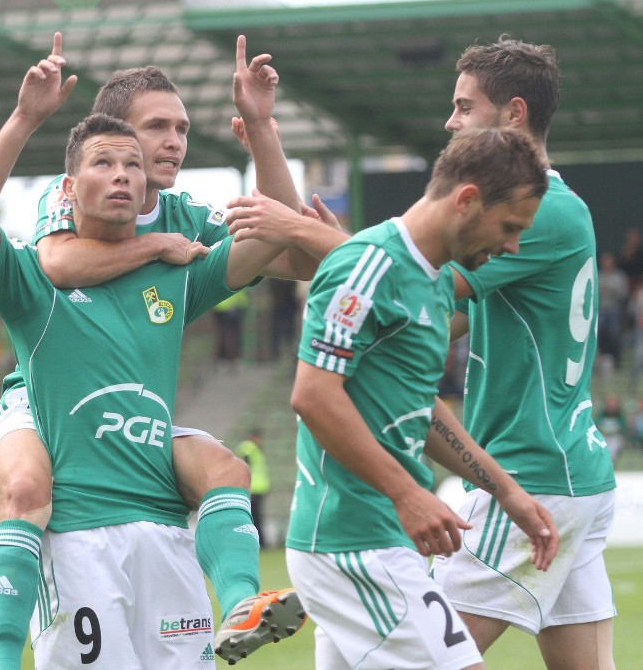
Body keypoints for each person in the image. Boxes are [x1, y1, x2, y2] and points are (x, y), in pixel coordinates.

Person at [0, 33, 311, 668]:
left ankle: (242, 603)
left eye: (182, 129)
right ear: (75, 178)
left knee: (227, 469)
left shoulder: (181, 237)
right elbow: (7, 241)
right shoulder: (47, 251)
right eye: (155, 130)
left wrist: (259, 126)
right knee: (29, 487)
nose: (170, 143)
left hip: (157, 522)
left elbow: (275, 234)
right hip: (52, 434)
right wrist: (27, 117)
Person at [286, 127, 558, 670]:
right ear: (467, 201)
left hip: (373, 538)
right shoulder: (370, 265)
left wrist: (507, 492)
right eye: (509, 227)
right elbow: (313, 396)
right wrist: (407, 494)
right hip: (350, 540)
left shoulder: (433, 279)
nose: (512, 247)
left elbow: (418, 406)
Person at [430, 38, 618, 670]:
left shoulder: (530, 213)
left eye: (463, 106)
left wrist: (302, 237)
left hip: (529, 474)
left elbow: (404, 282)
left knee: (413, 658)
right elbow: (437, 312)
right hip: (573, 474)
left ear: (513, 114)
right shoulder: (557, 208)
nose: (450, 122)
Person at [234, 428, 271, 546]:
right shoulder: (249, 448)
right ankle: (258, 542)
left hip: (257, 488)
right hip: (253, 489)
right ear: (254, 437)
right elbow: (245, 467)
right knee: (254, 517)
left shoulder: (252, 449)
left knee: (256, 516)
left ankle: (259, 542)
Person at [597, 251, 628, 375]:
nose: (606, 263)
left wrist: (612, 290)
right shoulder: (598, 275)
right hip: (600, 311)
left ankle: (616, 361)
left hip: (614, 310)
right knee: (596, 334)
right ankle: (598, 361)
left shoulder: (619, 276)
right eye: (604, 261)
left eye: (608, 260)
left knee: (614, 334)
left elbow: (623, 294)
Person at [212, 289, 249, 368]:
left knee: (223, 334)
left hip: (219, 306)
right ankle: (235, 359)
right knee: (235, 334)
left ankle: (223, 359)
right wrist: (244, 304)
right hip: (233, 306)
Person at [595, 391, 627, 465]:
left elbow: (623, 427)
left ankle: (612, 463)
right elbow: (597, 425)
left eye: (613, 402)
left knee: (615, 445)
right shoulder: (602, 413)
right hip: (604, 437)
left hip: (615, 438)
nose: (611, 404)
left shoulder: (619, 413)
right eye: (610, 402)